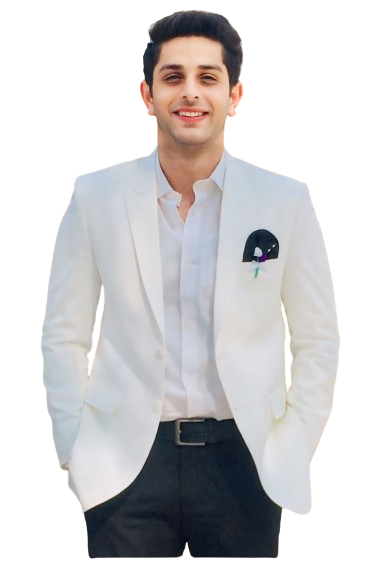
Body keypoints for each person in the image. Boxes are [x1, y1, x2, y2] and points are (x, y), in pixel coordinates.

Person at [41, 9, 340, 558]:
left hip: (245, 459)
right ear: (147, 95)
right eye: (173, 76)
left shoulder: (285, 201)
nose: (191, 92)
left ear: (234, 95)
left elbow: (318, 337)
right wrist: (73, 444)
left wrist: (295, 441)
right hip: (124, 461)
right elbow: (64, 333)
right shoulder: (95, 197)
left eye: (208, 77)